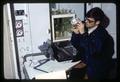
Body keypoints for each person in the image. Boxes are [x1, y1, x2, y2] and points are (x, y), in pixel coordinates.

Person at [70, 7, 114, 79]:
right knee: (72, 72)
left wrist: (83, 33)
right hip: (86, 59)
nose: (86, 22)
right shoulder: (87, 27)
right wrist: (76, 34)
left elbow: (92, 51)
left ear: (97, 22)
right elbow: (77, 45)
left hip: (97, 65)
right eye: (86, 19)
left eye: (89, 21)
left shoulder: (102, 34)